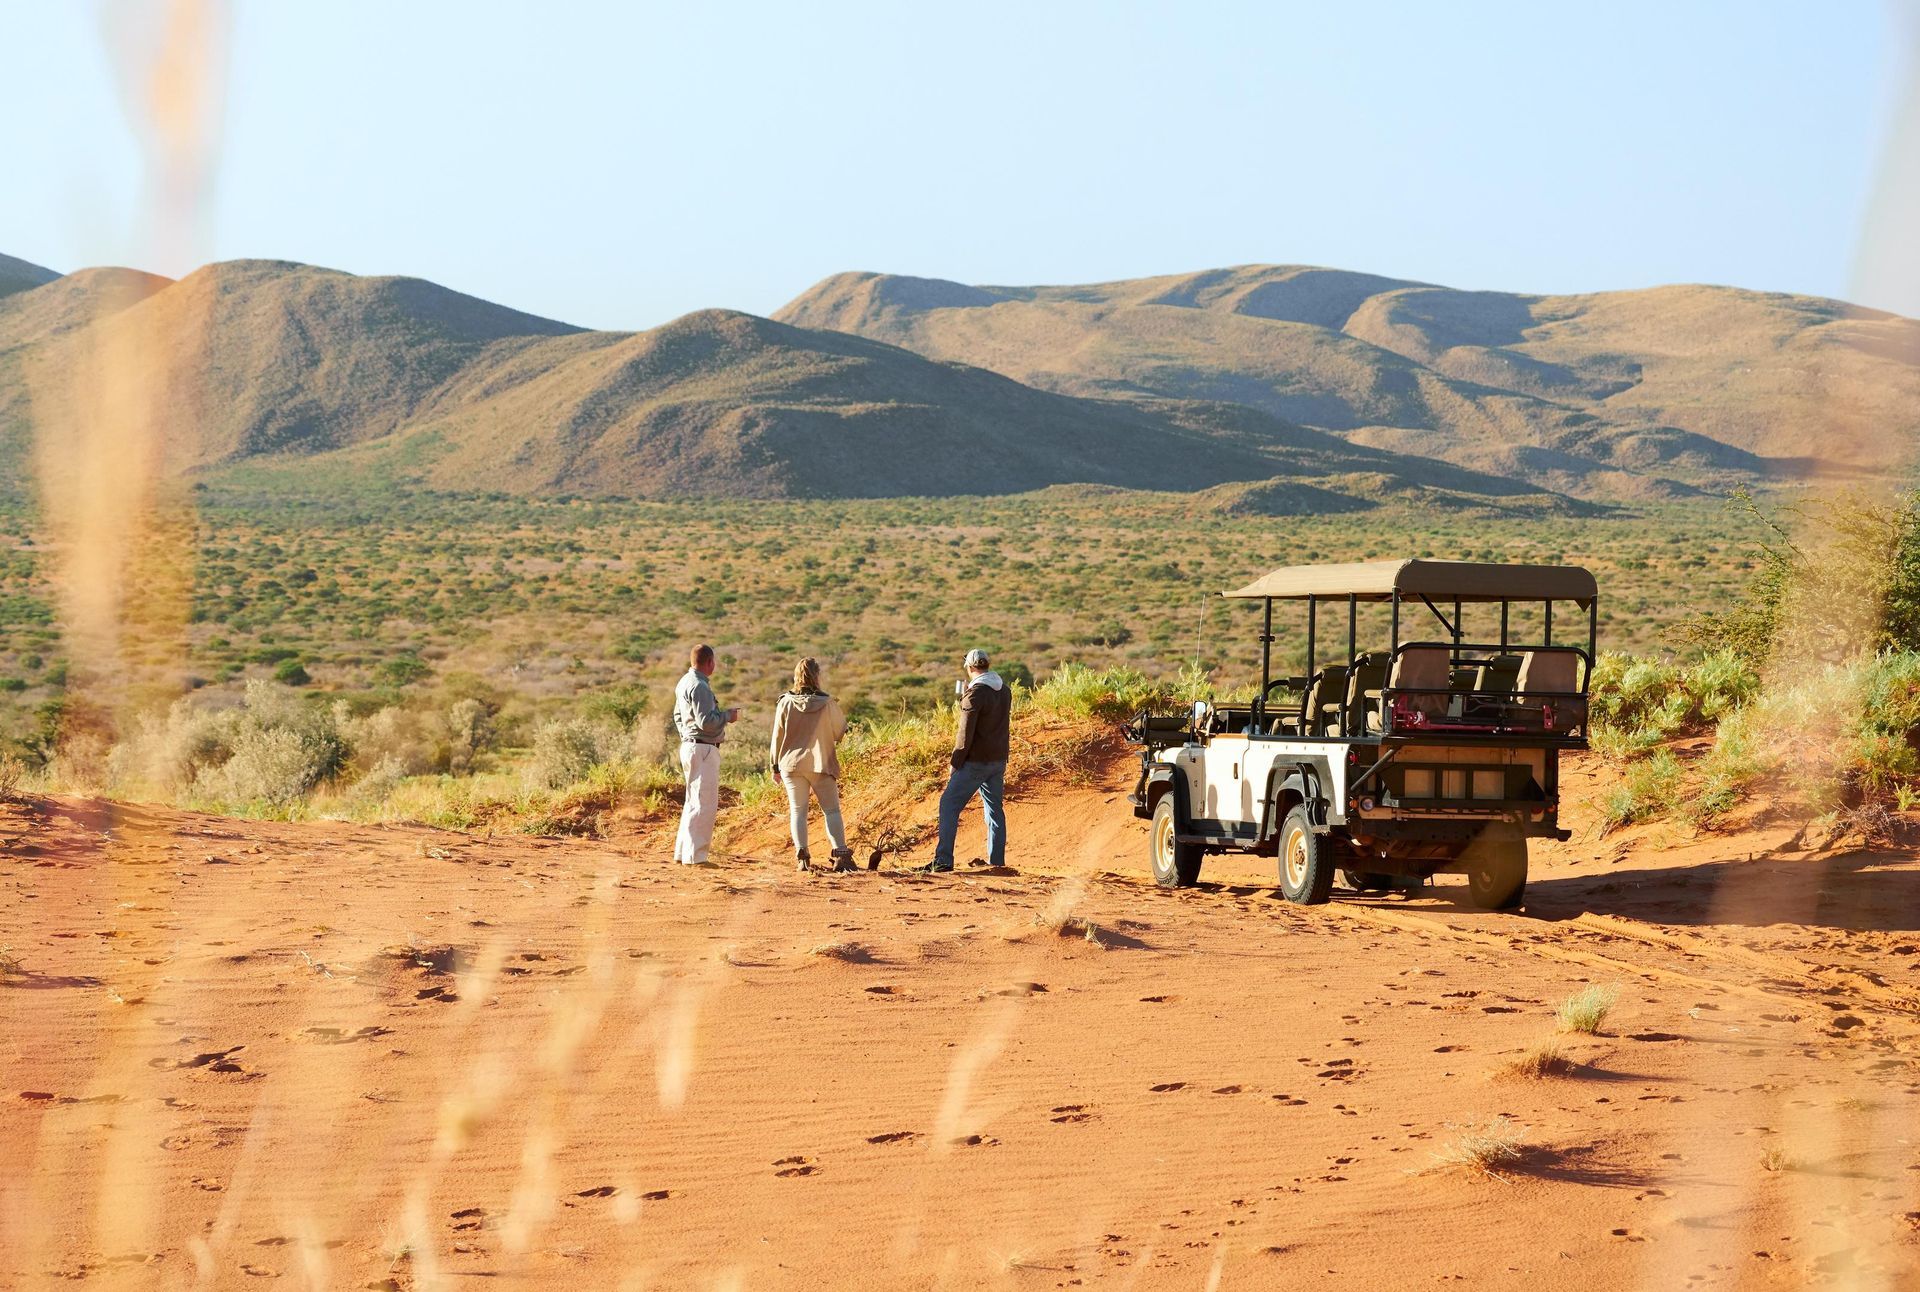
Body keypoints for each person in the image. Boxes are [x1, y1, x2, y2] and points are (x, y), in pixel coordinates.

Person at [921, 648, 1010, 873]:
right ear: (987, 665)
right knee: (994, 811)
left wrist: (955, 762)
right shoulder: (1004, 690)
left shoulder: (975, 694)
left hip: (975, 762)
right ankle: (997, 863)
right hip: (998, 759)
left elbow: (964, 735)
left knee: (949, 804)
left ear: (970, 668)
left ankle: (943, 860)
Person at [768, 657, 852, 872]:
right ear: (817, 675)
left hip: (791, 764)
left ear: (796, 676)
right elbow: (840, 731)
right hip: (820, 763)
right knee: (831, 810)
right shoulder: (827, 702)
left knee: (798, 811)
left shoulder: (785, 702)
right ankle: (841, 853)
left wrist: (774, 766)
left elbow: (777, 736)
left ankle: (802, 855)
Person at [673, 643, 740, 866]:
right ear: (710, 662)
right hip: (703, 748)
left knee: (692, 801)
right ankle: (697, 858)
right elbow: (707, 722)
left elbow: (677, 716)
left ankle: (683, 853)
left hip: (690, 745)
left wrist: (686, 735)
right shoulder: (700, 686)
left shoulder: (684, 681)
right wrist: (727, 716)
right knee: (704, 803)